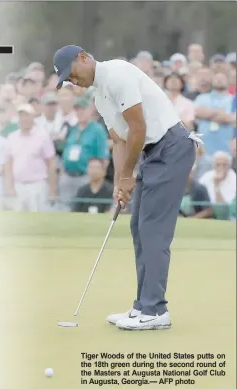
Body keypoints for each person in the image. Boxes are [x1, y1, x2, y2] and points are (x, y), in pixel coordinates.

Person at [53, 45, 201, 330]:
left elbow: (137, 128)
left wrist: (126, 176)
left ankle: (156, 310)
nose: (72, 81)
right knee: (138, 227)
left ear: (83, 58)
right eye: (67, 80)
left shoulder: (117, 73)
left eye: (71, 74)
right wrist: (121, 180)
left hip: (171, 147)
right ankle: (142, 305)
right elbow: (119, 141)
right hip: (151, 153)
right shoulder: (99, 97)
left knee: (153, 228)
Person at [59, 97, 109, 211]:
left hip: (85, 176)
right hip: (67, 176)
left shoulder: (97, 130)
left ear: (90, 110)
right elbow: (66, 152)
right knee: (64, 209)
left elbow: (104, 158)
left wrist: (98, 180)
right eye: (77, 110)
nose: (80, 113)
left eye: (83, 109)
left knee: (82, 209)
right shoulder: (73, 129)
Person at [5, 104, 57, 212]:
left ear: (33, 117)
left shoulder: (43, 137)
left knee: (38, 220)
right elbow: (8, 164)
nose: (24, 119)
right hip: (18, 186)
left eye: (27, 115)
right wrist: (10, 187)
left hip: (37, 185)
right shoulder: (11, 137)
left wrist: (52, 189)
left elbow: (51, 163)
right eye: (22, 116)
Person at [199, 151, 237, 220]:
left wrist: (216, 185)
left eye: (224, 164)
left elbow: (223, 208)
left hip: (227, 216)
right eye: (218, 164)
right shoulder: (207, 176)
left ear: (229, 165)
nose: (221, 167)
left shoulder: (234, 179)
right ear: (213, 165)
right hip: (206, 212)